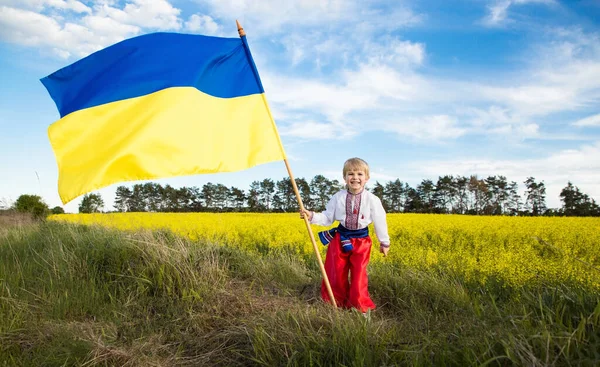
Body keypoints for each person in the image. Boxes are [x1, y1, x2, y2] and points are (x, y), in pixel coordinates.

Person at [300, 157, 390, 312]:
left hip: (361, 242)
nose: (355, 177)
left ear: (367, 178)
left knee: (359, 274)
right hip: (339, 240)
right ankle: (335, 303)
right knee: (336, 271)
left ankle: (359, 306)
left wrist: (384, 242)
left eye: (360, 174)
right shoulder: (338, 197)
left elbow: (380, 221)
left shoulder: (372, 199)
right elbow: (328, 218)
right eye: (350, 174)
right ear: (344, 177)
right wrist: (311, 216)